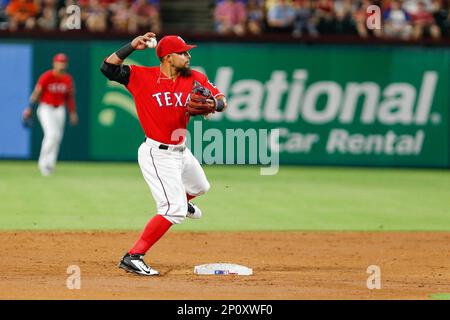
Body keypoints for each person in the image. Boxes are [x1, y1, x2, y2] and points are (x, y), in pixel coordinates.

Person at [100, 33, 227, 276]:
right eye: (183, 52)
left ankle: (182, 201)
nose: (188, 56)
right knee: (172, 210)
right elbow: (107, 68)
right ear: (168, 57)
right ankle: (133, 256)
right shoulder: (141, 76)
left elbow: (221, 100)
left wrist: (214, 105)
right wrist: (131, 47)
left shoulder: (194, 78)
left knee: (201, 186)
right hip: (157, 153)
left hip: (181, 151)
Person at [22, 53, 78, 176]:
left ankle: (50, 164)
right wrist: (29, 108)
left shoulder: (67, 79)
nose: (61, 65)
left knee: (57, 138)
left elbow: (69, 98)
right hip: (46, 108)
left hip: (60, 109)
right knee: (51, 135)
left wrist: (73, 112)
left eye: (63, 62)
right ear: (54, 63)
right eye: (59, 62)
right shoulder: (47, 76)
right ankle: (43, 163)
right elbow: (37, 93)